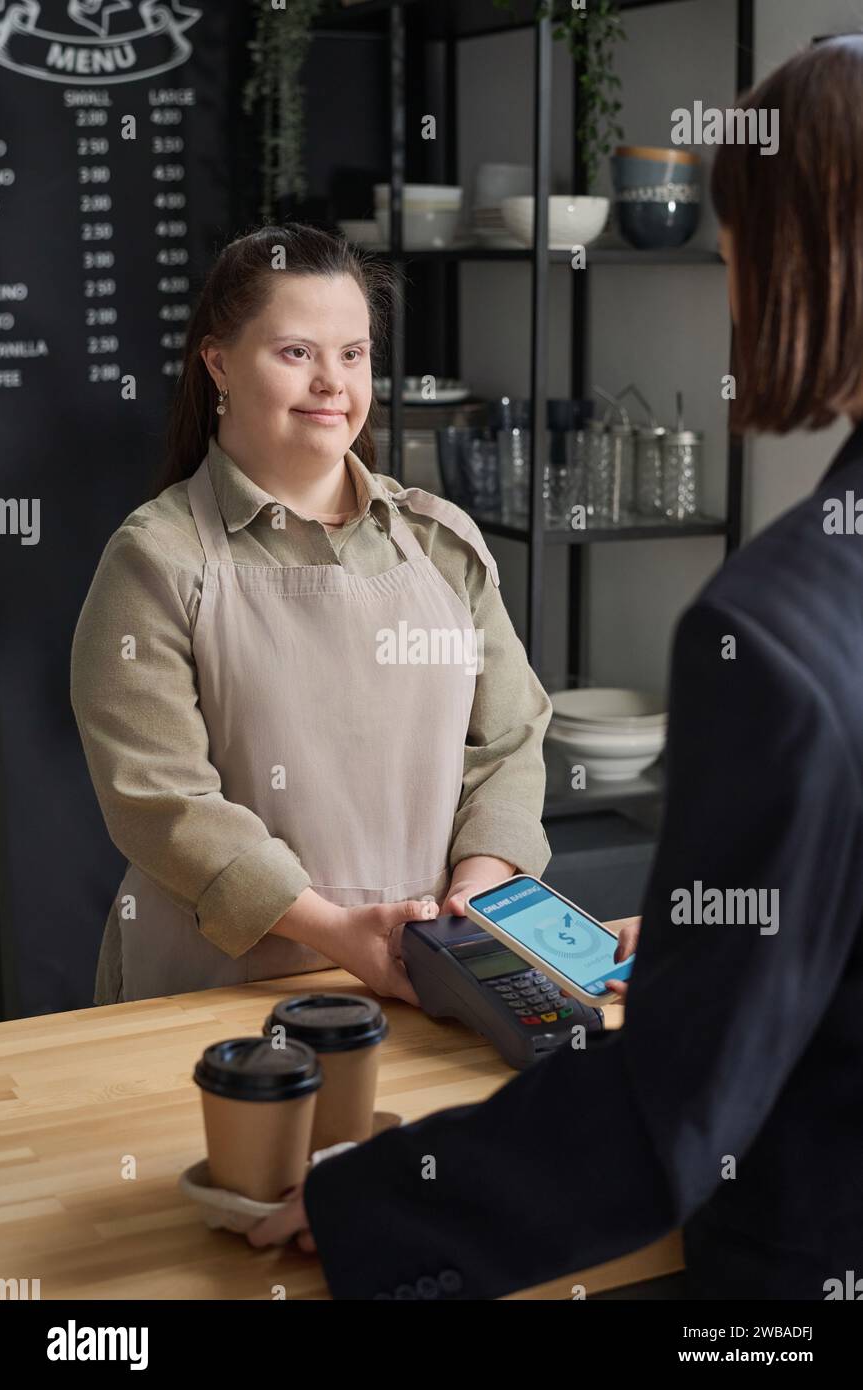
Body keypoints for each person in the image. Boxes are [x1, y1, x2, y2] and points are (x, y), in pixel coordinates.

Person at [246, 38, 863, 1301]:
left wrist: (371, 1198)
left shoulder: (782, 627)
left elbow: (667, 1117)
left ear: (789, 252)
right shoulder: (160, 555)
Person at [70, 224, 553, 1005]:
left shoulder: (441, 543)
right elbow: (159, 798)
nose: (333, 381)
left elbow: (509, 741)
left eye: (353, 354)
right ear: (219, 362)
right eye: (297, 352)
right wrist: (335, 930)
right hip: (223, 988)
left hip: (429, 968)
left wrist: (475, 898)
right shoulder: (155, 559)